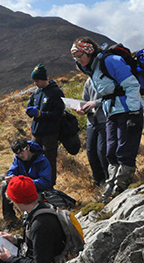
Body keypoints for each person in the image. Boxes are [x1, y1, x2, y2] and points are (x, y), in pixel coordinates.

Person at [71, 37, 144, 200]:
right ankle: (111, 185)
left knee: (124, 151)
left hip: (128, 110)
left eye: (80, 55)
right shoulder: (92, 68)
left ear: (89, 51)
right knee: (110, 152)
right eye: (75, 57)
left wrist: (133, 113)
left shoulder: (110, 61)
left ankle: (121, 187)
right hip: (111, 112)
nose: (78, 60)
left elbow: (131, 85)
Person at [26, 64, 65, 186]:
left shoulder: (56, 92)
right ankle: (35, 184)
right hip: (36, 132)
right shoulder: (36, 93)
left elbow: (58, 114)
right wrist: (30, 111)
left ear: (44, 79)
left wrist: (41, 114)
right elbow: (30, 107)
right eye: (34, 81)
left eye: (37, 80)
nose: (35, 83)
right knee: (33, 159)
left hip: (50, 133)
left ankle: (50, 185)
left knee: (49, 160)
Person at [0, 138, 52, 227]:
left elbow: (45, 182)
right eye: (17, 153)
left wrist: (27, 183)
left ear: (28, 148)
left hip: (38, 190)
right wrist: (11, 178)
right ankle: (10, 221)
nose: (20, 155)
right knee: (4, 186)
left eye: (22, 152)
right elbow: (12, 171)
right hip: (23, 187)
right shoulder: (17, 159)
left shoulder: (42, 160)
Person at [75, 78, 108, 187]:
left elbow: (111, 97)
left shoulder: (106, 78)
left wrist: (96, 103)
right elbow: (85, 100)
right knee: (90, 152)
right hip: (91, 122)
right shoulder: (88, 81)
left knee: (102, 151)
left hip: (104, 120)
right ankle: (98, 181)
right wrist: (81, 109)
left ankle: (109, 179)